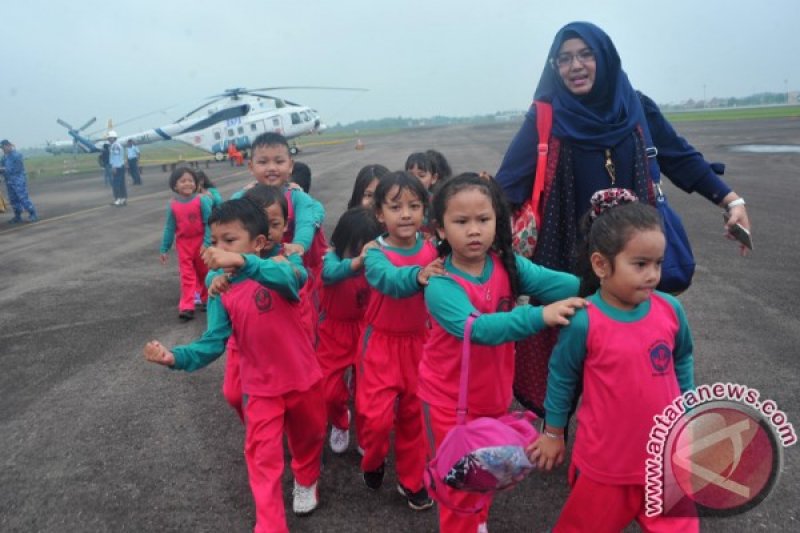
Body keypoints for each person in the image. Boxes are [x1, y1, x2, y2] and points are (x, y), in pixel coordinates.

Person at [494, 20, 751, 416]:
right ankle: (558, 430)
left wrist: (731, 200)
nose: (575, 66)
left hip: (631, 255)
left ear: (605, 58)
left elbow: (679, 157)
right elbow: (507, 184)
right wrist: (452, 232)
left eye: (584, 55)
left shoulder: (636, 107)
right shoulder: (546, 116)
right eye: (564, 59)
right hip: (565, 256)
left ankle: (633, 426)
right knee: (565, 352)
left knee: (633, 347)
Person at [143, 197, 326, 530]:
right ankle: (270, 524)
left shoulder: (285, 266)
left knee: (309, 437)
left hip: (303, 380)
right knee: (262, 459)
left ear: (258, 243)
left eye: (229, 240)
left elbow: (290, 280)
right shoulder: (220, 288)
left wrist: (242, 262)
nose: (218, 249)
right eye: (215, 242)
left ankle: (306, 476)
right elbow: (213, 342)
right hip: (259, 389)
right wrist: (176, 357)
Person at [419, 174, 584, 533]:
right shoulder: (441, 284)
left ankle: (479, 519)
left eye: (484, 219)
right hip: (449, 403)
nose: (474, 230)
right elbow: (478, 330)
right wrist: (540, 314)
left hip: (494, 397)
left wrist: (606, 275)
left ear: (498, 221)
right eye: (461, 222)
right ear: (441, 230)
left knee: (486, 472)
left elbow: (568, 284)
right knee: (458, 488)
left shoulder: (507, 265)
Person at [528, 190, 697, 532]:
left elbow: (683, 359)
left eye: (658, 264)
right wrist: (553, 432)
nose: (652, 275)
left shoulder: (671, 310)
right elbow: (561, 378)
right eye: (640, 264)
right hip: (605, 468)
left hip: (666, 461)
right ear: (601, 264)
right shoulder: (584, 320)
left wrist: (688, 411)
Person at [358, 171, 444, 511]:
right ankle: (374, 459)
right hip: (380, 345)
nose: (405, 214)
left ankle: (412, 481)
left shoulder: (433, 250)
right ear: (381, 214)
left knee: (414, 418)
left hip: (420, 345)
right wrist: (418, 275)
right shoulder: (374, 253)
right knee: (375, 419)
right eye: (395, 207)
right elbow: (389, 281)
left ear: (425, 210)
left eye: (414, 205)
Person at [318, 206, 381, 454]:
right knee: (328, 391)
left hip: (366, 330)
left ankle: (367, 436)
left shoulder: (377, 263)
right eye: (354, 248)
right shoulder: (331, 259)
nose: (361, 255)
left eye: (365, 248)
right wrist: (358, 260)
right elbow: (330, 273)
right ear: (341, 242)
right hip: (333, 331)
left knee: (367, 391)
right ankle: (340, 420)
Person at [159, 167, 212, 320]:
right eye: (183, 181)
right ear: (175, 185)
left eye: (190, 181)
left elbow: (209, 222)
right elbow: (170, 227)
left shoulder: (202, 200)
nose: (187, 184)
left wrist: (207, 242)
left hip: (201, 243)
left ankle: (207, 299)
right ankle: (187, 306)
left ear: (195, 184)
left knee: (205, 273)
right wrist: (164, 248)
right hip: (184, 245)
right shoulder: (173, 205)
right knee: (187, 276)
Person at [0, 140, 38, 223]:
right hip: (9, 181)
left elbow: (13, 169)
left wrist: (2, 169)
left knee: (22, 197)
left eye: (3, 147)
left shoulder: (17, 155)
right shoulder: (4, 157)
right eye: (2, 148)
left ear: (8, 145)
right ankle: (17, 216)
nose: (3, 150)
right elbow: (2, 169)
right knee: (13, 199)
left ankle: (33, 213)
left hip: (18, 180)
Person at [107, 131, 127, 206]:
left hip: (117, 167)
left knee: (116, 184)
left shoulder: (115, 146)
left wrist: (114, 167)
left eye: (109, 138)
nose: (108, 139)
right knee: (122, 184)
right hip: (121, 167)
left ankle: (118, 199)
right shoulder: (119, 145)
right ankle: (123, 199)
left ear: (113, 138)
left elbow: (116, 157)